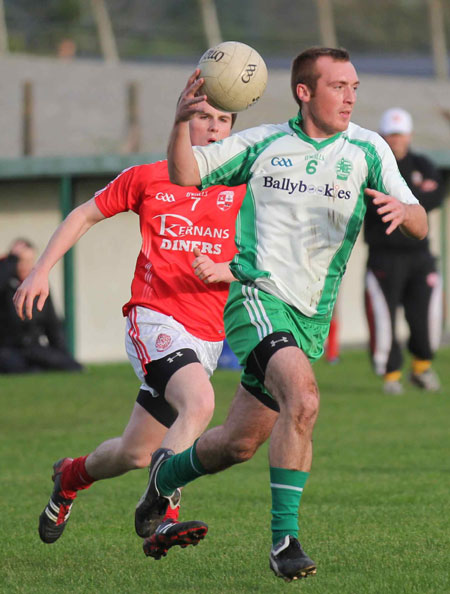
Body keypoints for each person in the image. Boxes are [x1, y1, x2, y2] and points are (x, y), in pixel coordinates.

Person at [132, 48, 428, 582]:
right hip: (256, 298)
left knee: (238, 444)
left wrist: (405, 211)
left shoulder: (368, 148)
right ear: (304, 91)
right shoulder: (264, 143)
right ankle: (283, 542)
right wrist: (181, 122)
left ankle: (165, 474)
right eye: (339, 86)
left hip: (310, 316)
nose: (351, 96)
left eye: (354, 86)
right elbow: (185, 172)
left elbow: (421, 221)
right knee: (305, 395)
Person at [13, 101, 246, 558]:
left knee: (135, 453)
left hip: (206, 335)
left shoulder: (242, 187)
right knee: (199, 404)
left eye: (223, 120)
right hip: (154, 316)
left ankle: (70, 476)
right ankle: (162, 515)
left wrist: (229, 270)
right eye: (204, 117)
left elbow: (269, 258)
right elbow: (83, 214)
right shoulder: (147, 176)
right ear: (183, 122)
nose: (214, 128)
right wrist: (41, 270)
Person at [364, 107, 445, 395]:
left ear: (409, 135)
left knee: (425, 316)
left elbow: (435, 197)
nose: (396, 140)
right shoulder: (373, 165)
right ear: (383, 136)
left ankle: (422, 369)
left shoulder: (422, 162)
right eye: (391, 134)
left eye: (400, 134)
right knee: (384, 318)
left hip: (419, 255)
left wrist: (402, 198)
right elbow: (375, 203)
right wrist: (415, 194)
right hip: (384, 254)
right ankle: (391, 375)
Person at [0, 238, 83, 374]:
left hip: (34, 348)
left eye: (29, 261)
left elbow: (52, 324)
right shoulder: (5, 283)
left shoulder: (37, 286)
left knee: (70, 366)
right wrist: (11, 260)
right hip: (8, 349)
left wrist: (63, 355)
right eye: (19, 261)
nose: (24, 266)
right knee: (15, 366)